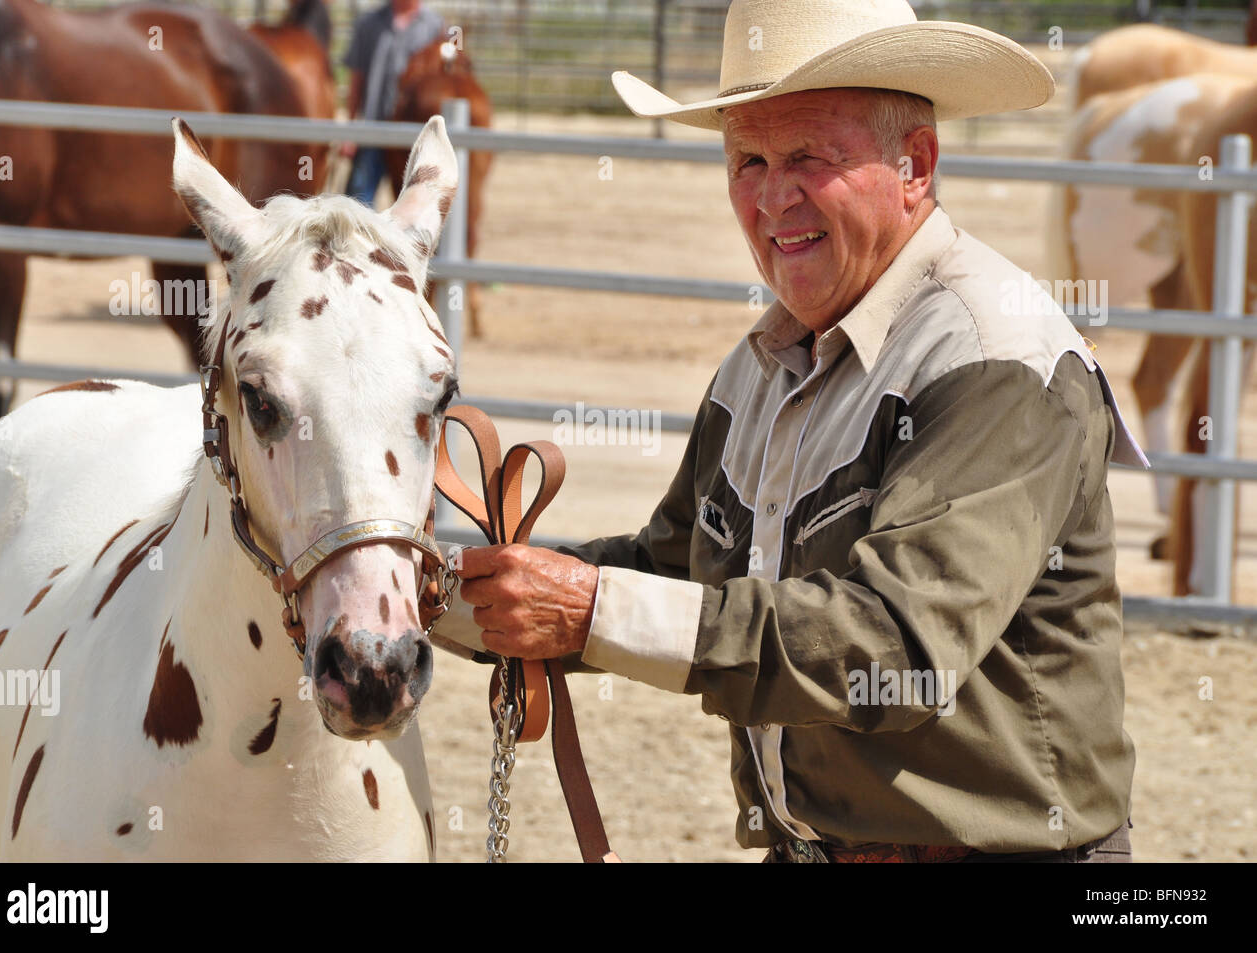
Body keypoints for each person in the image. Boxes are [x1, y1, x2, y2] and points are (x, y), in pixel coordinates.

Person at [451, 0, 1146, 863]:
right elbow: (678, 563)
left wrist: (588, 609)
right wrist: (435, 589)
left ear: (915, 165)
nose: (772, 197)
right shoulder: (765, 363)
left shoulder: (995, 359)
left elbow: (895, 642)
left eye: (807, 157)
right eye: (746, 159)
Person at [342, 0, 443, 206]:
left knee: (417, 210)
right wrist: (350, 130)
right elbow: (357, 80)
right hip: (372, 130)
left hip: (415, 138)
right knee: (358, 206)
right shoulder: (368, 24)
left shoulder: (436, 27)